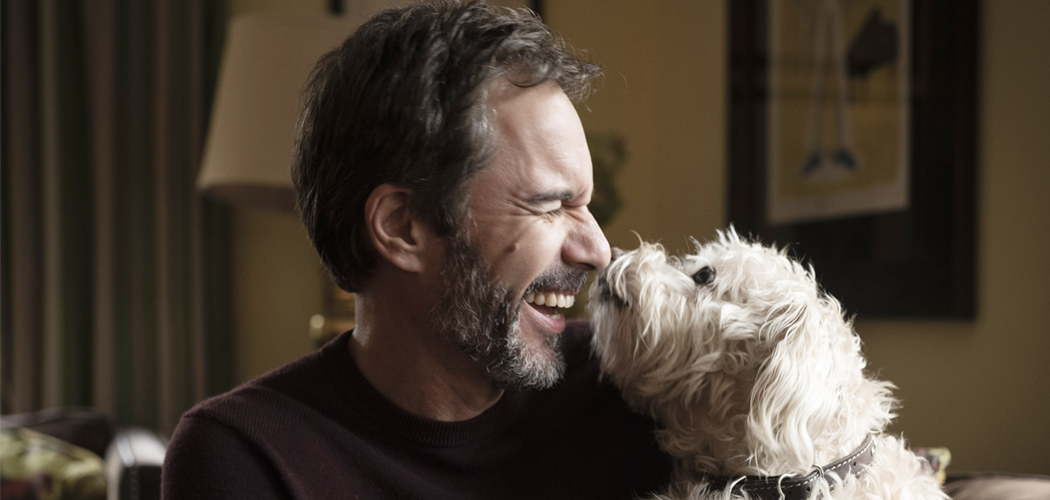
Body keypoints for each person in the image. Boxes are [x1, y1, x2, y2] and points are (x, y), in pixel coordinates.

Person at [162, 2, 671, 498]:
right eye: (551, 206)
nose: (599, 251)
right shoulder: (249, 456)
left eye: (585, 204)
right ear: (402, 227)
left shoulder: (640, 379)